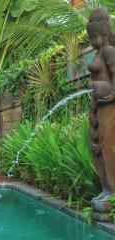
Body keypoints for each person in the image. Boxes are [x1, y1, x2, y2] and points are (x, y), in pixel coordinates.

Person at [87, 8, 115, 202]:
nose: (90, 39)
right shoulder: (97, 53)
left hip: (109, 106)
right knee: (96, 148)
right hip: (97, 107)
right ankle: (105, 189)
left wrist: (110, 92)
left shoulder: (109, 50)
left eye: (93, 36)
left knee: (107, 147)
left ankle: (112, 191)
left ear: (104, 34)